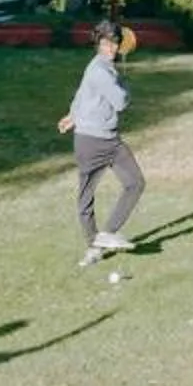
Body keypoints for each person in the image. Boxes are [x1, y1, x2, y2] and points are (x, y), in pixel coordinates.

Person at [56, 18, 145, 263]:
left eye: (115, 42)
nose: (112, 48)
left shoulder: (97, 65)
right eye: (107, 43)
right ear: (98, 42)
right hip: (94, 143)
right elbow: (121, 102)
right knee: (86, 197)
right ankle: (95, 244)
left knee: (135, 183)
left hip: (107, 140)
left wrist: (72, 115)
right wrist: (125, 83)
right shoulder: (101, 70)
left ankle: (103, 236)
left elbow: (82, 94)